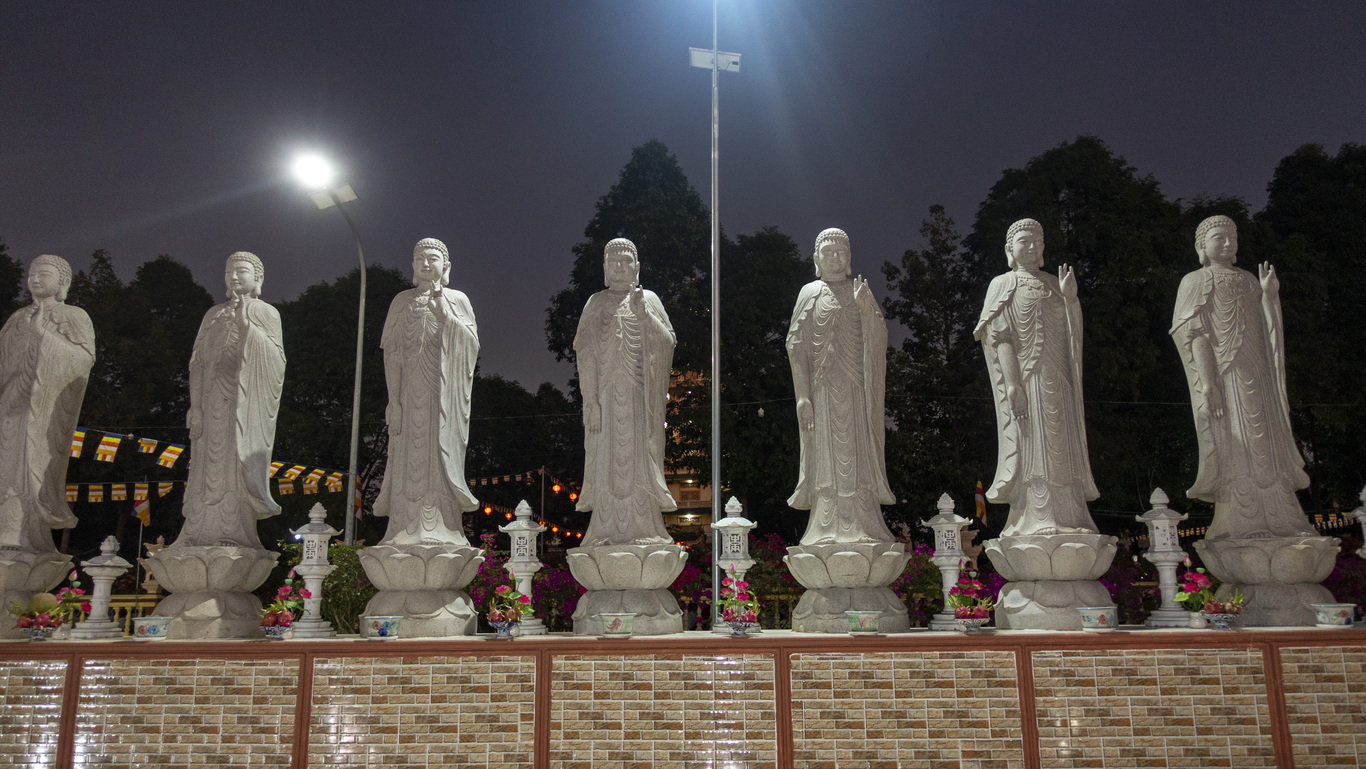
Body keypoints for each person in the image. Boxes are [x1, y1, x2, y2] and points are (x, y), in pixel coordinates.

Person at [1170, 215, 1315, 540]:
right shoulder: (1195, 280)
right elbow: (1194, 334)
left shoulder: (1249, 280)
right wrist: (1209, 383)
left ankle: (1282, 517)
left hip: (1259, 377)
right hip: (1226, 378)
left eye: (1232, 237)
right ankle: (1239, 519)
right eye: (1218, 238)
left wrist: (1270, 297)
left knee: (1266, 442)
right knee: (1234, 440)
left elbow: (1269, 333)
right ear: (1201, 246)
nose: (1227, 243)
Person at [975, 218, 1099, 537]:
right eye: (1024, 242)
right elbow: (1000, 336)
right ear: (1010, 249)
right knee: (1034, 445)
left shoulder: (1054, 284)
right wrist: (1012, 384)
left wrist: (1070, 300)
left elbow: (1072, 337)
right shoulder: (1003, 284)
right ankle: (1036, 514)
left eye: (1037, 242)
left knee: (1063, 446)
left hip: (1059, 380)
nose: (1031, 247)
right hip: (1027, 381)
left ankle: (1070, 514)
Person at [787, 228, 895, 544]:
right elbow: (796, 346)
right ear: (816, 259)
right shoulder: (809, 292)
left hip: (857, 390)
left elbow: (879, 340)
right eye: (828, 252)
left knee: (859, 455)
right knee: (825, 460)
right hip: (821, 392)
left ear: (849, 258)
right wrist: (803, 396)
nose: (835, 257)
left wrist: (866, 311)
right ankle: (825, 525)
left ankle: (864, 523)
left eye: (841, 252)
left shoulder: (860, 291)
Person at [374, 238, 480, 546]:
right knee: (405, 455)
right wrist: (394, 401)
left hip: (443, 396)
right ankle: (402, 527)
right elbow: (393, 354)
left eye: (432, 258)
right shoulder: (401, 302)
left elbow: (471, 346)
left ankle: (442, 526)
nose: (425, 263)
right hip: (408, 397)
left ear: (446, 266)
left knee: (439, 452)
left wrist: (445, 317)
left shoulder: (457, 299)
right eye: (419, 258)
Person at [176, 252, 286, 549]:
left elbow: (276, 362)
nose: (234, 276)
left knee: (234, 465)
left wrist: (246, 325)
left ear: (258, 278)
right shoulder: (212, 315)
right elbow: (197, 364)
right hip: (210, 401)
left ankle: (234, 529)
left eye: (242, 271)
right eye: (229, 272)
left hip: (243, 405)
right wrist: (195, 406)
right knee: (204, 467)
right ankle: (197, 529)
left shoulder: (266, 312)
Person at [573, 238, 676, 545]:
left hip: (640, 399)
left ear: (637, 267)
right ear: (605, 268)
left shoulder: (649, 299)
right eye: (613, 261)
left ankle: (645, 528)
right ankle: (604, 529)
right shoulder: (595, 303)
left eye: (626, 260)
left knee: (640, 460)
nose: (619, 266)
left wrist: (644, 316)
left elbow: (668, 342)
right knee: (605, 460)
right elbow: (585, 354)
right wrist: (591, 401)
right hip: (605, 399)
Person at [0, 255, 94, 552]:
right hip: (11, 404)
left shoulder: (74, 316)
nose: (36, 279)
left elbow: (83, 361)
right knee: (5, 466)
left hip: (43, 410)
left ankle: (25, 534)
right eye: (32, 274)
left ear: (63, 282)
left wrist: (43, 335)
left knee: (32, 467)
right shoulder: (17, 319)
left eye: (44, 274)